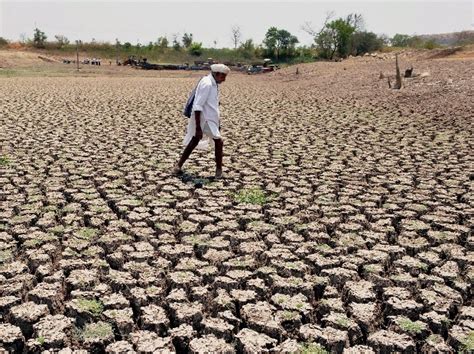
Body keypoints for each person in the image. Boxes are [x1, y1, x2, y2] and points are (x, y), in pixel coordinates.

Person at [173, 63, 230, 179]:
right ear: (217, 74)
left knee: (194, 140)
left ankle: (178, 167)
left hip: (210, 119)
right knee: (219, 142)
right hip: (206, 119)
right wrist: (198, 127)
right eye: (223, 76)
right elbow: (198, 105)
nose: (224, 80)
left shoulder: (212, 83)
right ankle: (219, 172)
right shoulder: (207, 84)